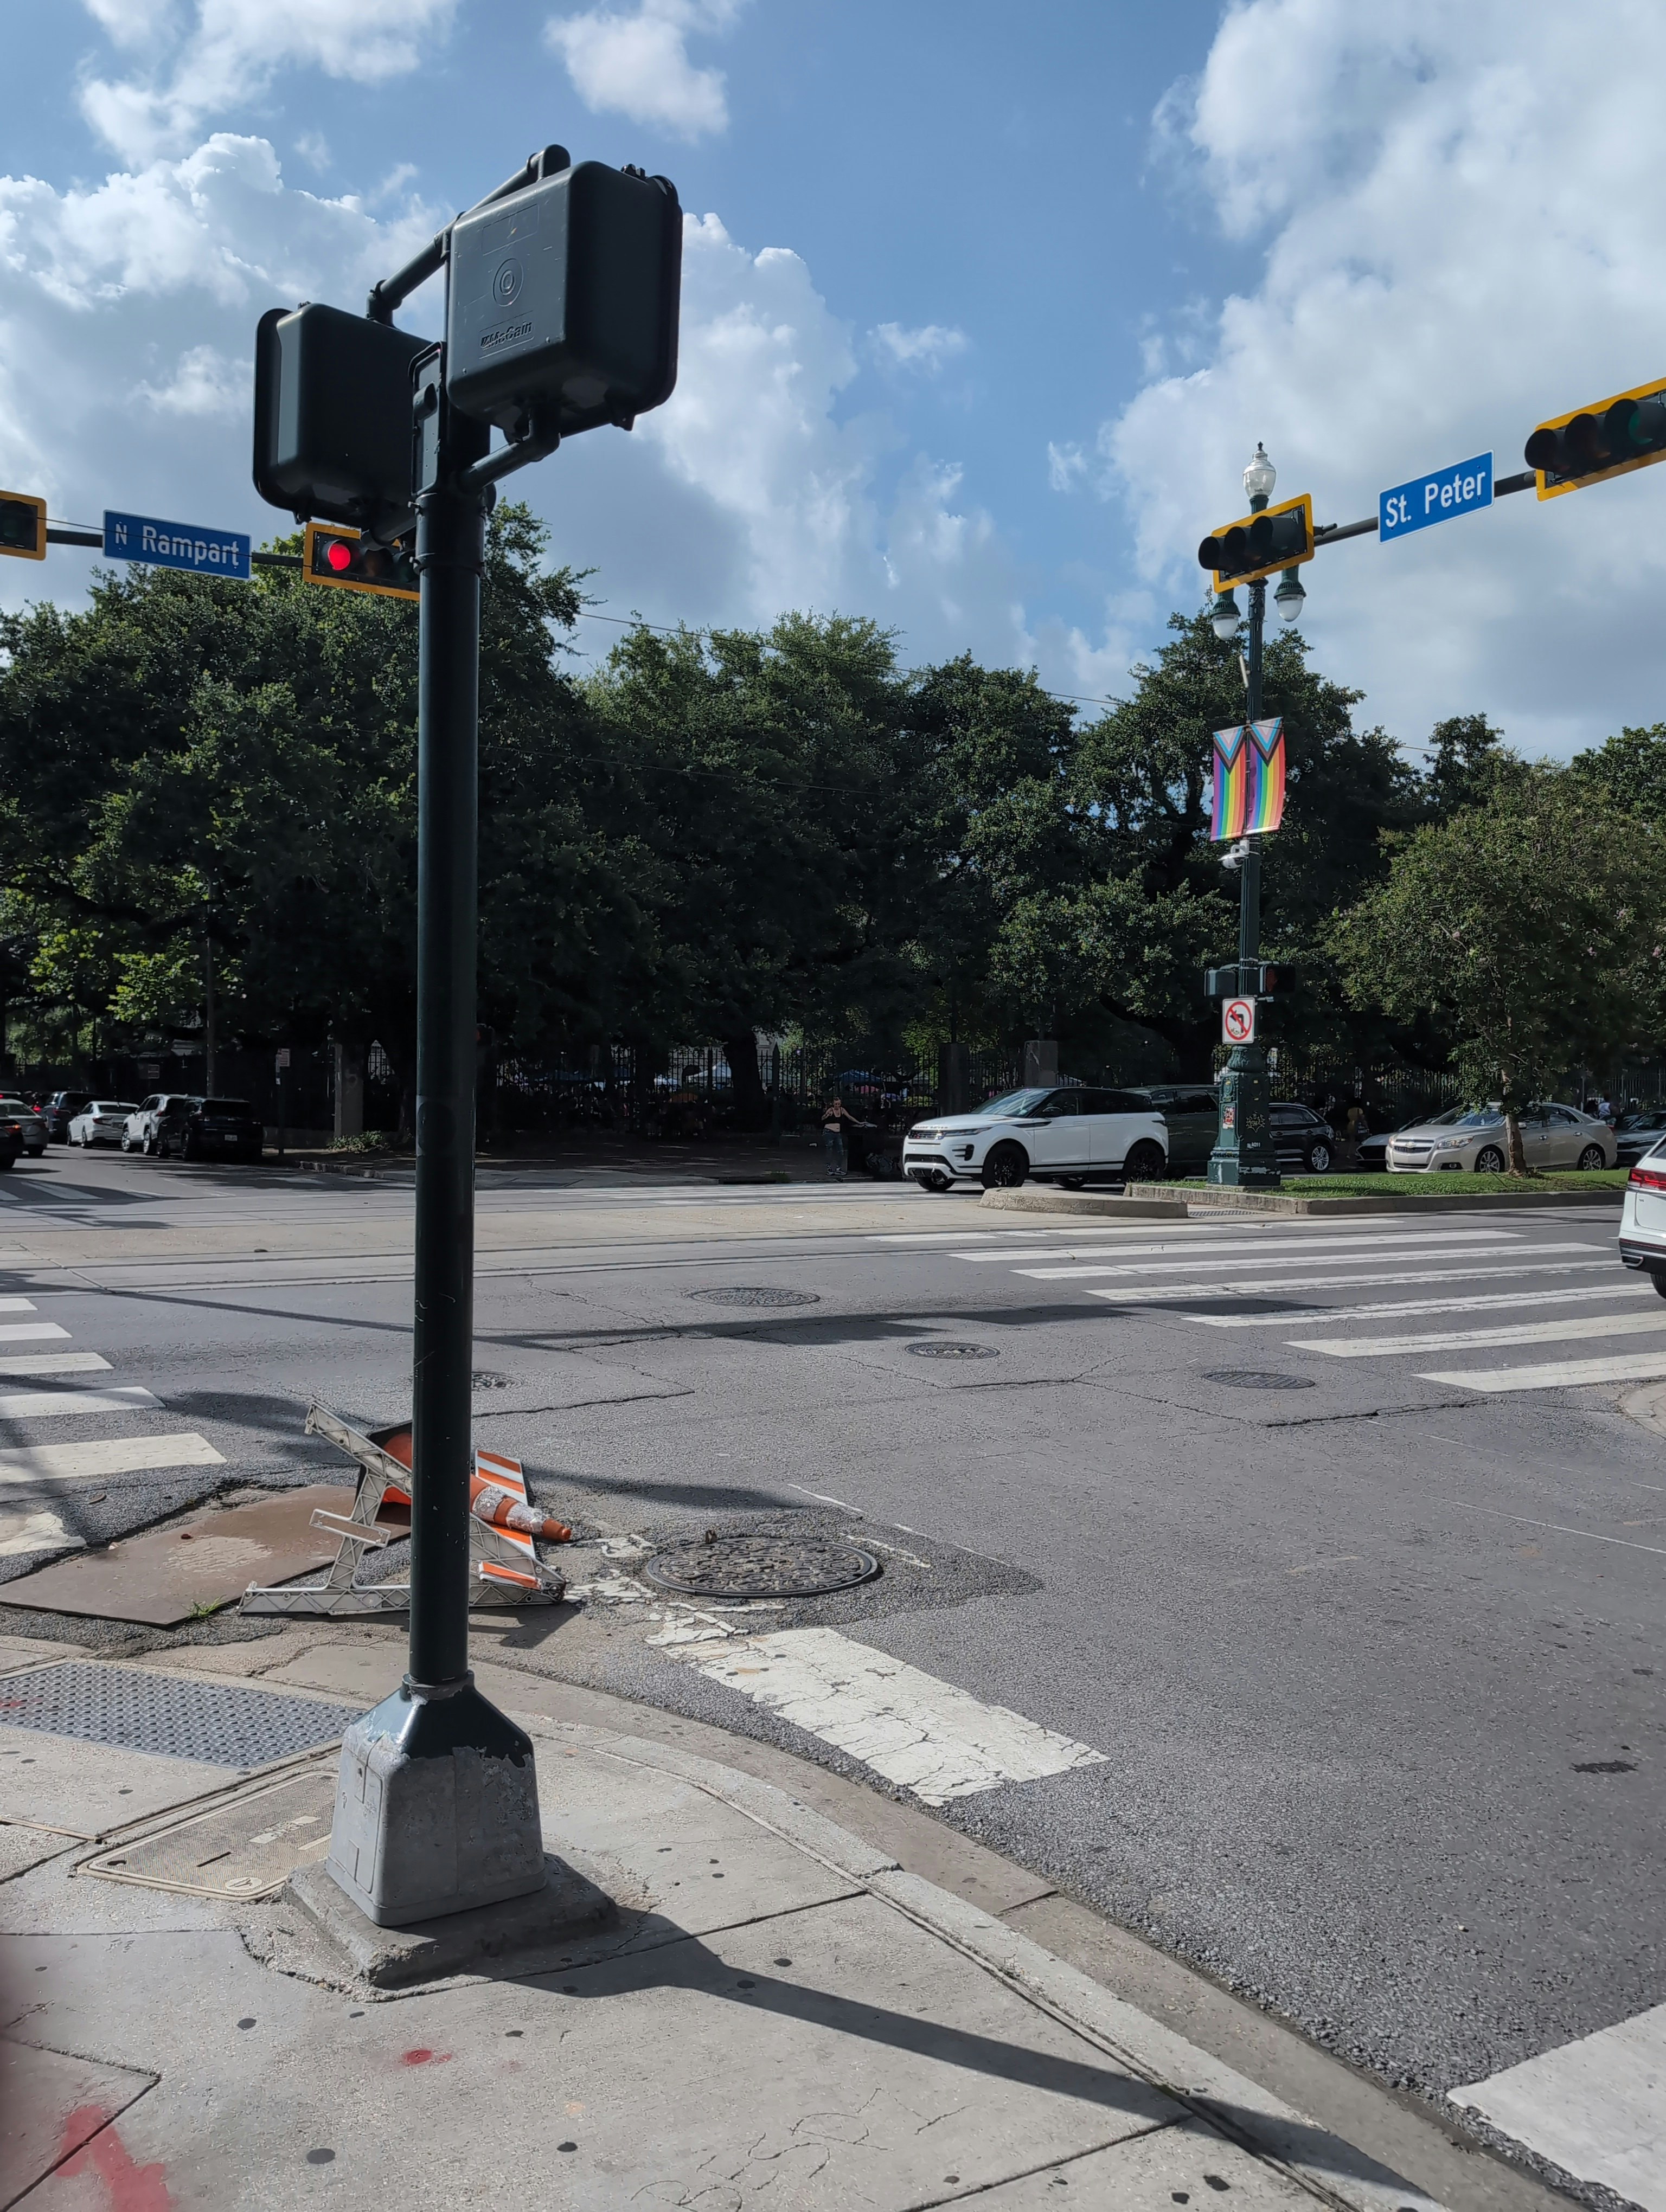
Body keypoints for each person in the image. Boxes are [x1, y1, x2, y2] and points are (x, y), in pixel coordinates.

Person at [821, 1095, 863, 1180]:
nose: (837, 1106)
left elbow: (850, 1117)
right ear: (833, 1104)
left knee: (841, 1151)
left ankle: (838, 1168)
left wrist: (859, 1123)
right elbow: (823, 1118)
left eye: (839, 1104)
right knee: (830, 1149)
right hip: (829, 1132)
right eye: (836, 1104)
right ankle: (829, 1169)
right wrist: (827, 1116)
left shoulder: (842, 1110)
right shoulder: (830, 1110)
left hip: (837, 1133)